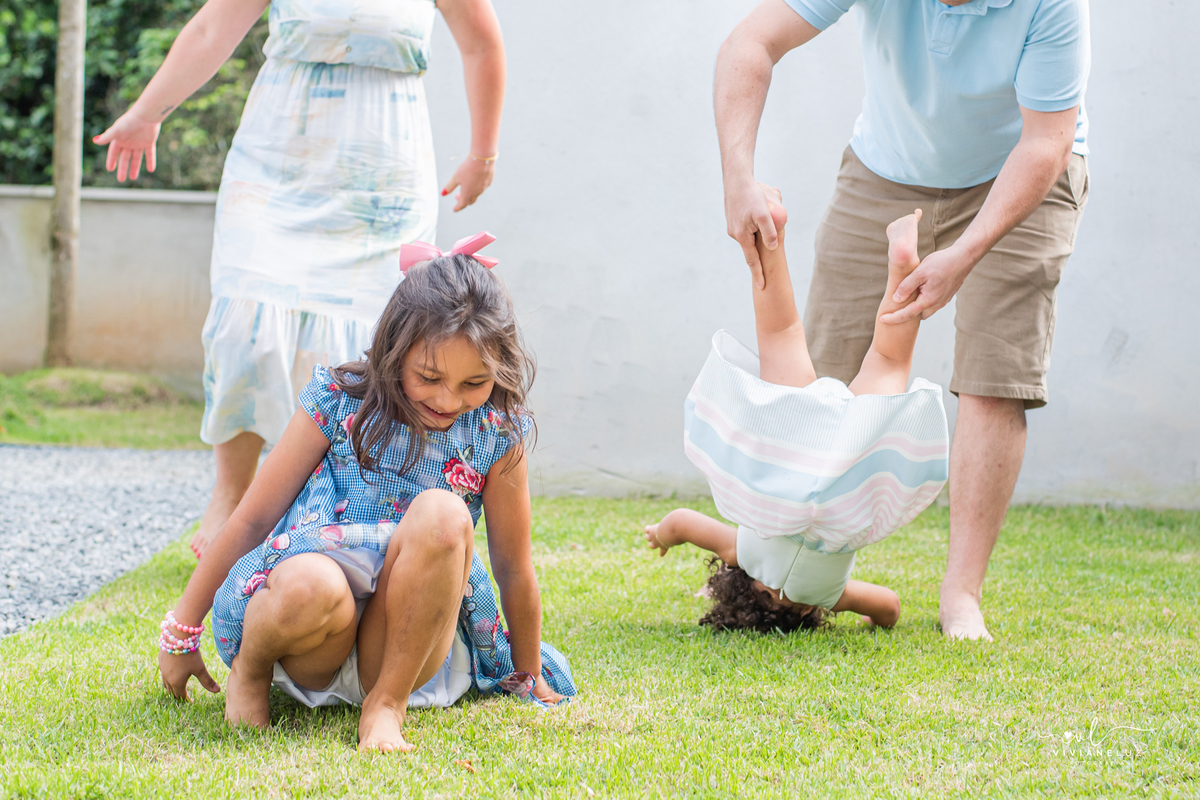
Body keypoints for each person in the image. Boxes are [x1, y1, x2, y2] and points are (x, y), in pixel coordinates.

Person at [714, 0, 1091, 639]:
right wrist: (738, 178)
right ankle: (781, 577)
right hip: (887, 165)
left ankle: (961, 596)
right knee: (819, 386)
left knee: (995, 374)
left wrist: (965, 254)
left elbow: (1046, 142)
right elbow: (751, 43)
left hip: (1023, 168)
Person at [93, 0, 507, 559]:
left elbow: (482, 45)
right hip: (276, 162)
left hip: (383, 177)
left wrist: (483, 154)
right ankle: (232, 494)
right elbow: (213, 28)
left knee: (375, 342)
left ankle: (343, 504)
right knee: (244, 328)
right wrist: (147, 113)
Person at [155, 241, 574, 753]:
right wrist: (181, 631)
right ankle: (252, 670)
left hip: (406, 644)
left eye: (474, 382)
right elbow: (253, 519)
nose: (448, 399)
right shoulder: (339, 399)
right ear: (395, 349)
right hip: (312, 634)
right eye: (429, 377)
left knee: (444, 513)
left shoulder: (495, 432)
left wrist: (530, 675)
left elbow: (513, 566)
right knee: (311, 583)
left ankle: (385, 706)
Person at [646, 192, 947, 634]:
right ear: (736, 586)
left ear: (807, 615)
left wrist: (873, 619)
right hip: (786, 462)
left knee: (888, 359)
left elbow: (890, 606)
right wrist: (660, 535)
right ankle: (771, 234)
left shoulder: (829, 595)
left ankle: (903, 267)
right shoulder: (744, 556)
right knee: (779, 332)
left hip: (849, 481)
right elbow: (682, 523)